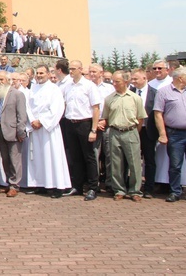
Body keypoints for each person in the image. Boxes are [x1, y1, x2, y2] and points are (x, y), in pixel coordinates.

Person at [25, 65, 71, 198]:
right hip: (35, 127)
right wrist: (33, 120)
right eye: (37, 73)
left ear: (48, 74)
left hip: (48, 129)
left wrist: (42, 121)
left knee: (52, 156)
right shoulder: (33, 88)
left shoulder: (54, 89)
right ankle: (40, 184)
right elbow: (28, 107)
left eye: (42, 73)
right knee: (38, 158)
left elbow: (57, 109)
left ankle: (57, 186)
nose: (39, 75)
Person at [101, 71, 146, 201]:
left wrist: (134, 131)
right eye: (113, 81)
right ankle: (119, 189)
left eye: (117, 81)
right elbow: (107, 117)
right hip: (114, 132)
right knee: (116, 163)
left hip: (131, 131)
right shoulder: (109, 99)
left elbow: (140, 118)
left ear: (126, 82)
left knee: (134, 163)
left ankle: (135, 190)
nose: (114, 84)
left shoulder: (135, 98)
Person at [60, 60, 102, 200]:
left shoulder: (89, 86)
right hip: (70, 123)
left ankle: (92, 188)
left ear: (80, 69)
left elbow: (96, 108)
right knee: (75, 156)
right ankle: (77, 186)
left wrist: (94, 129)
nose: (71, 71)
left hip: (85, 123)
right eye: (70, 69)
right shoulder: (68, 87)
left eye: (73, 69)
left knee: (89, 157)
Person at [0, 71, 27, 197]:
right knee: (5, 159)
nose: (0, 82)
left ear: (8, 80)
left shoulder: (17, 94)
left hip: (13, 131)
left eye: (2, 80)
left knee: (14, 159)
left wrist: (20, 131)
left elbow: (22, 115)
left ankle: (15, 185)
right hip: (0, 130)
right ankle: (8, 183)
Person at [153, 66, 186, 203]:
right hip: (174, 133)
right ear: (180, 78)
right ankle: (175, 191)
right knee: (175, 165)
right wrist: (162, 133)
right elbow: (158, 114)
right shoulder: (163, 92)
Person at [129, 68, 158, 198]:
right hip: (132, 130)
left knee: (149, 159)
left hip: (148, 131)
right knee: (131, 159)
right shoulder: (129, 92)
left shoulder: (155, 93)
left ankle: (149, 188)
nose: (133, 81)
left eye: (135, 79)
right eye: (132, 79)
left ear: (144, 78)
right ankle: (133, 186)